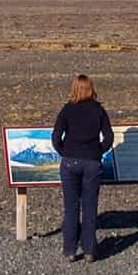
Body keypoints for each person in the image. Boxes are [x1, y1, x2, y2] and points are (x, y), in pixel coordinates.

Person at [51, 73, 113, 262]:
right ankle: (89, 250)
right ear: (91, 89)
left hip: (70, 161)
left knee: (71, 207)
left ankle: (70, 250)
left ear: (74, 89)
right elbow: (109, 138)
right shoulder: (99, 110)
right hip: (92, 162)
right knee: (90, 206)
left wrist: (65, 152)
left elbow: (55, 137)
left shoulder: (67, 109)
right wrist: (97, 152)